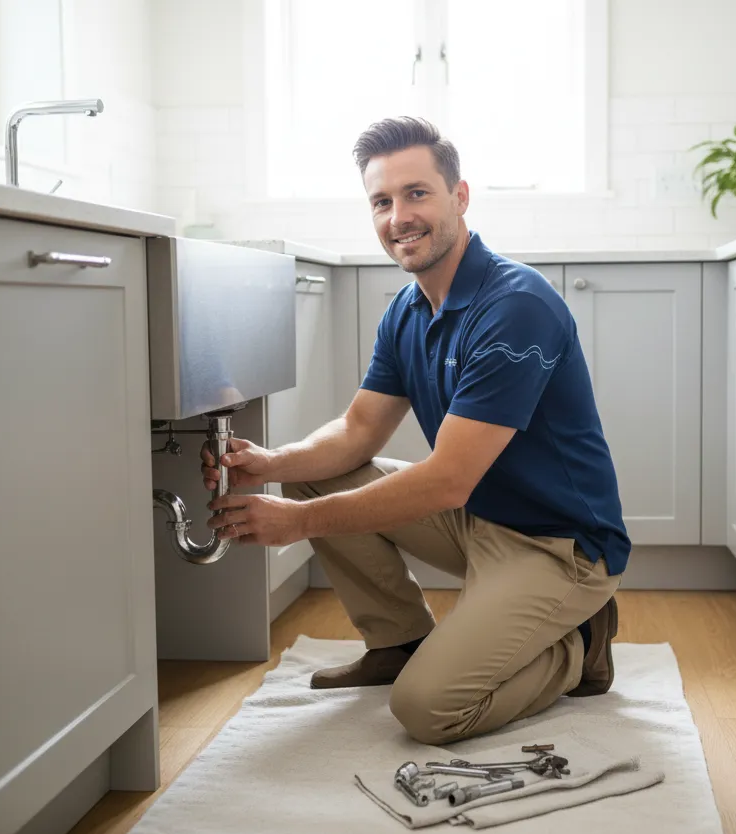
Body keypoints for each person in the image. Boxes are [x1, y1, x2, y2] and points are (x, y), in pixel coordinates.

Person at [199, 116, 630, 746]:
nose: (399, 215)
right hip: (480, 519)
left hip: (559, 544)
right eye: (382, 201)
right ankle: (399, 641)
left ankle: (579, 647)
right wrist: (270, 462)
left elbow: (450, 479)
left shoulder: (515, 307)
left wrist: (295, 524)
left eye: (417, 193)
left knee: (428, 710)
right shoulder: (407, 309)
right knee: (319, 474)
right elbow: (356, 432)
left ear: (459, 197)